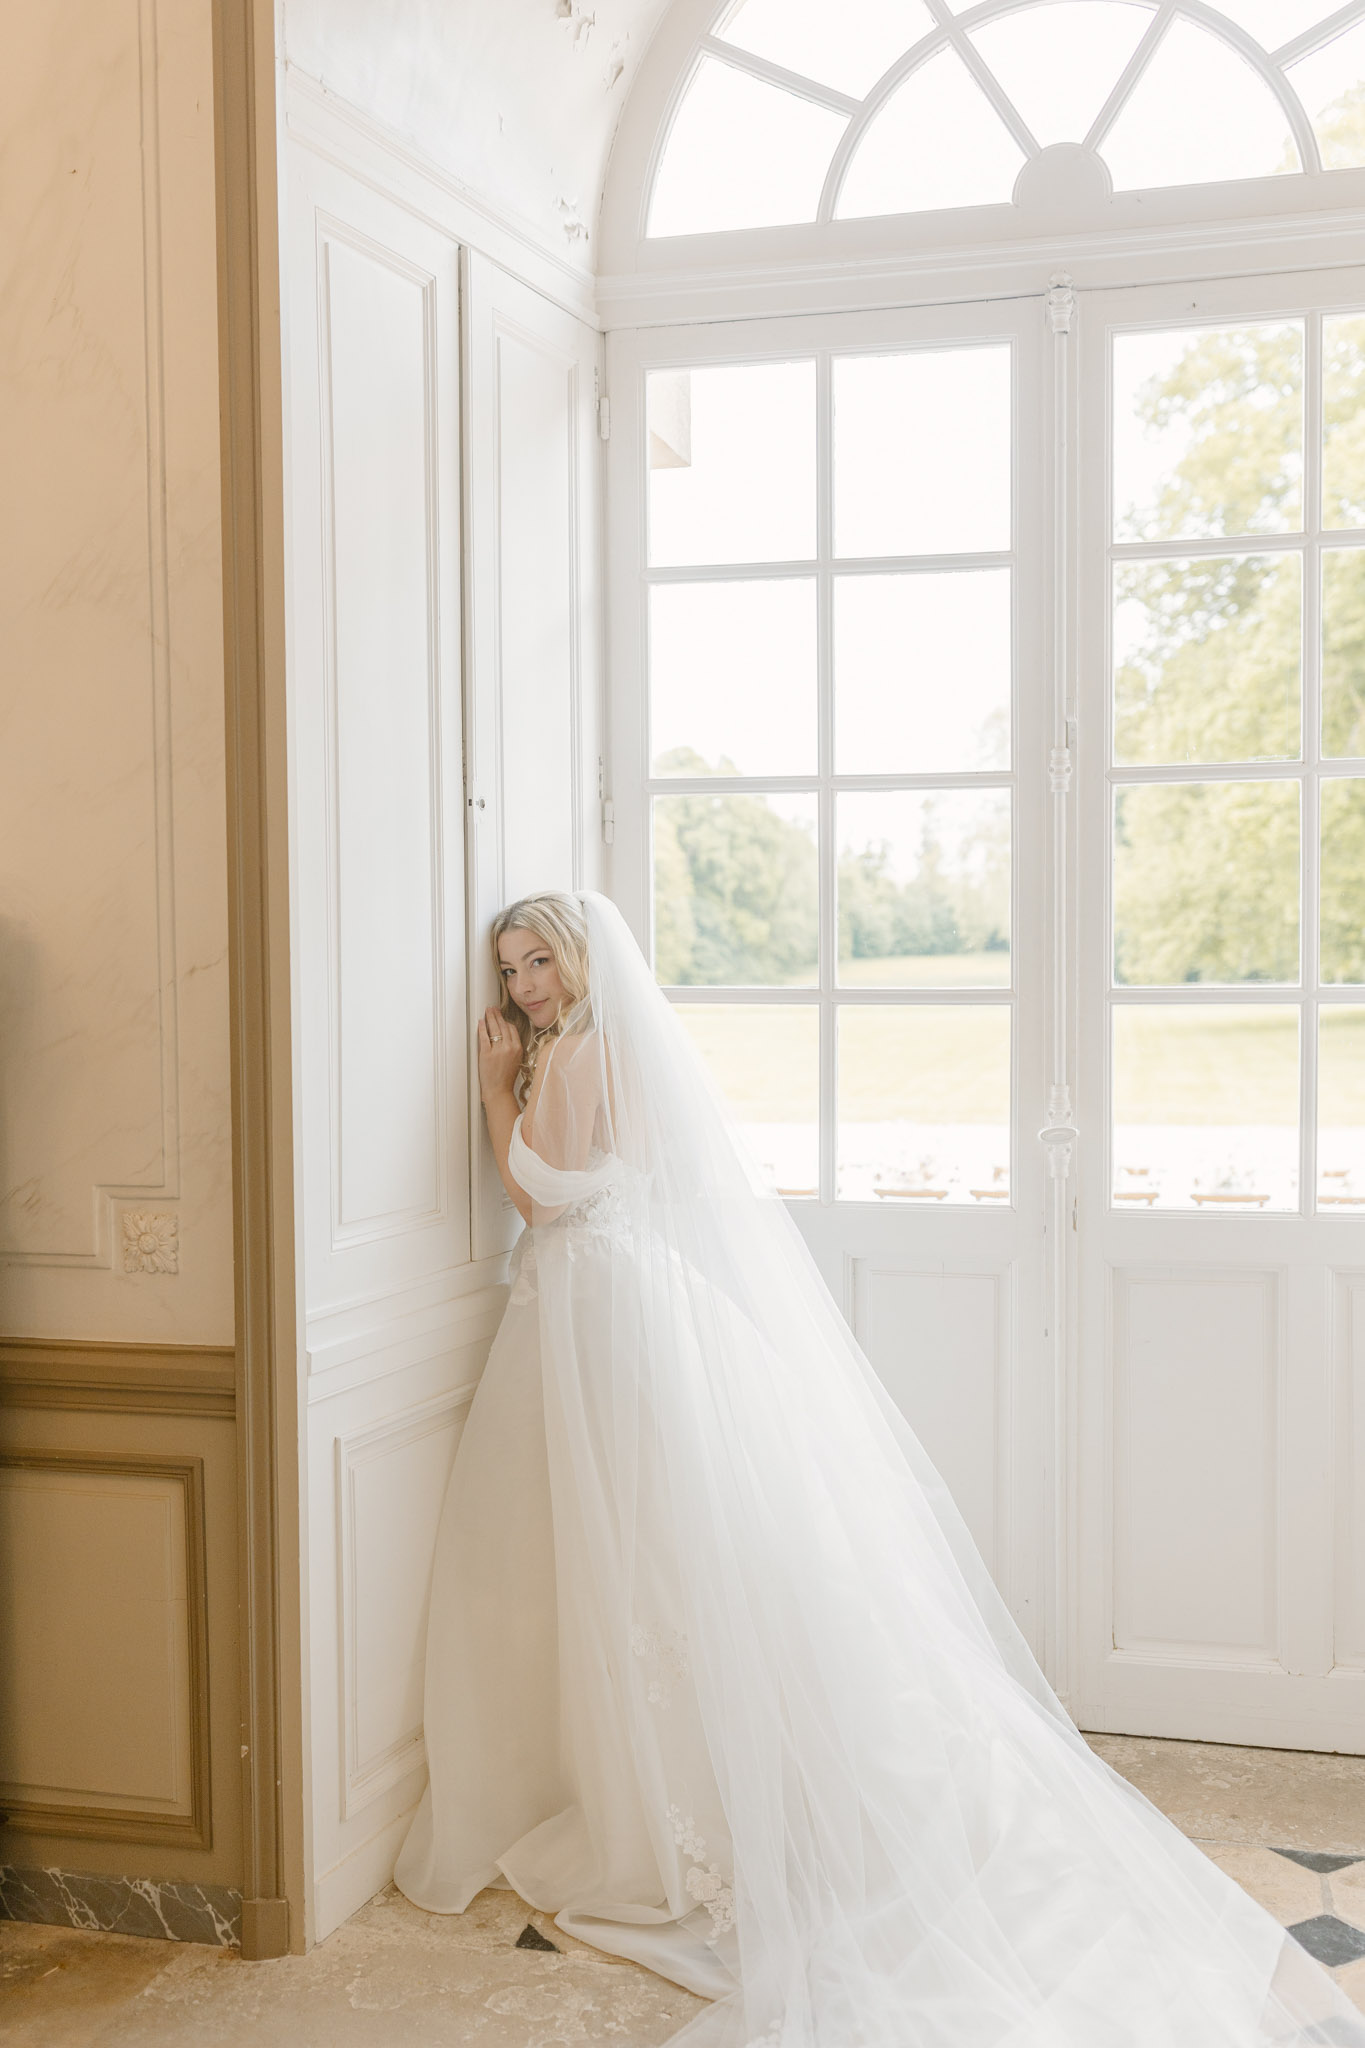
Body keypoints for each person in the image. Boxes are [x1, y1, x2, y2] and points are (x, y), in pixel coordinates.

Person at [395, 888, 1364, 2047]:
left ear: (579, 957)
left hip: (593, 1305)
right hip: (621, 1292)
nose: (521, 987)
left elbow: (537, 1197)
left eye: (538, 961)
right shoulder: (613, 1047)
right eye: (509, 969)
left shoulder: (571, 1055)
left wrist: (495, 1088)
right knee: (660, 1548)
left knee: (639, 1551)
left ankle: (677, 1797)